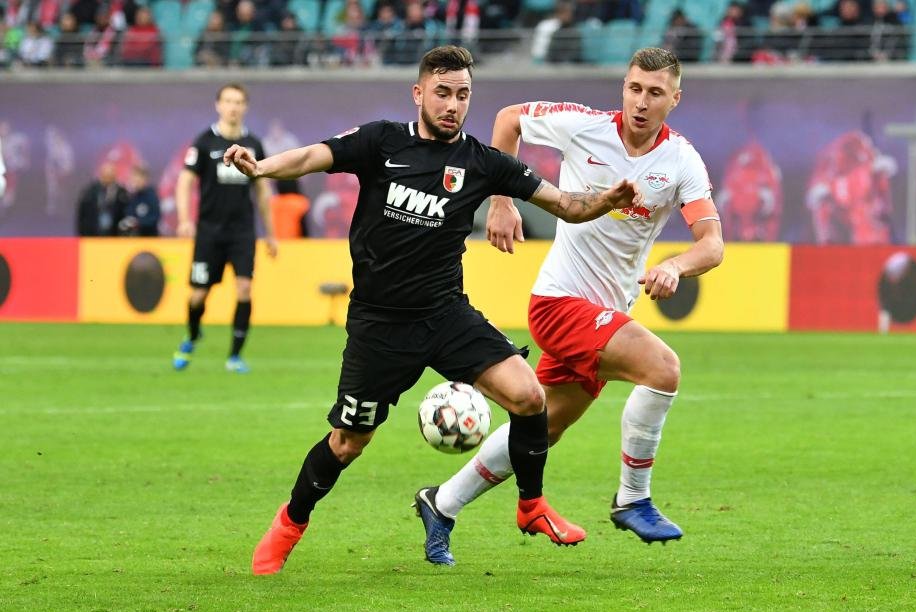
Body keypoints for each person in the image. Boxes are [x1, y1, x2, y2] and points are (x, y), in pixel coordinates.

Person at [227, 45, 642, 574]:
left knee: (528, 395)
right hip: (379, 327)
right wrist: (260, 168)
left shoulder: (483, 162)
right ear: (419, 93)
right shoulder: (381, 141)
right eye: (442, 93)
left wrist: (609, 198)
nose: (453, 104)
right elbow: (312, 156)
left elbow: (567, 205)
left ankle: (531, 506)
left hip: (446, 315)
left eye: (463, 95)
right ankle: (290, 523)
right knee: (348, 442)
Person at [417, 47, 724, 565]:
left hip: (609, 313)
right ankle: (633, 497)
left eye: (654, 93)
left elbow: (711, 243)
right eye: (634, 88)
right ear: (623, 88)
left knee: (541, 427)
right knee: (663, 368)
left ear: (675, 97)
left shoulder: (681, 161)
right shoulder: (583, 126)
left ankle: (440, 504)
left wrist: (675, 265)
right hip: (560, 303)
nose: (641, 102)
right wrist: (500, 199)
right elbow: (508, 119)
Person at [172, 83, 276, 374]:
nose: (233, 107)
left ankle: (235, 356)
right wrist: (184, 219)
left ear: (245, 107)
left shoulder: (254, 145)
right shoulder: (204, 143)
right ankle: (193, 334)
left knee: (244, 288)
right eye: (228, 101)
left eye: (238, 102)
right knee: (198, 294)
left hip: (242, 232)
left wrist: (271, 233)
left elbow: (263, 191)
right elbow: (184, 182)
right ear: (218, 105)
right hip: (209, 232)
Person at [76, 161, 129, 236]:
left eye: (110, 176)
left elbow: (126, 216)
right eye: (105, 176)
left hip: (115, 237)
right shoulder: (90, 192)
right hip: (93, 236)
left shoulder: (122, 193)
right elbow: (82, 215)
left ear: (115, 176)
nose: (107, 179)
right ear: (101, 175)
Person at [120, 164, 161, 236]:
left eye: (137, 178)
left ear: (145, 179)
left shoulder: (151, 195)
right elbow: (129, 213)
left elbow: (155, 217)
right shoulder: (131, 196)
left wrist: (138, 222)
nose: (134, 181)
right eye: (133, 178)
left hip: (149, 238)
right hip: (134, 237)